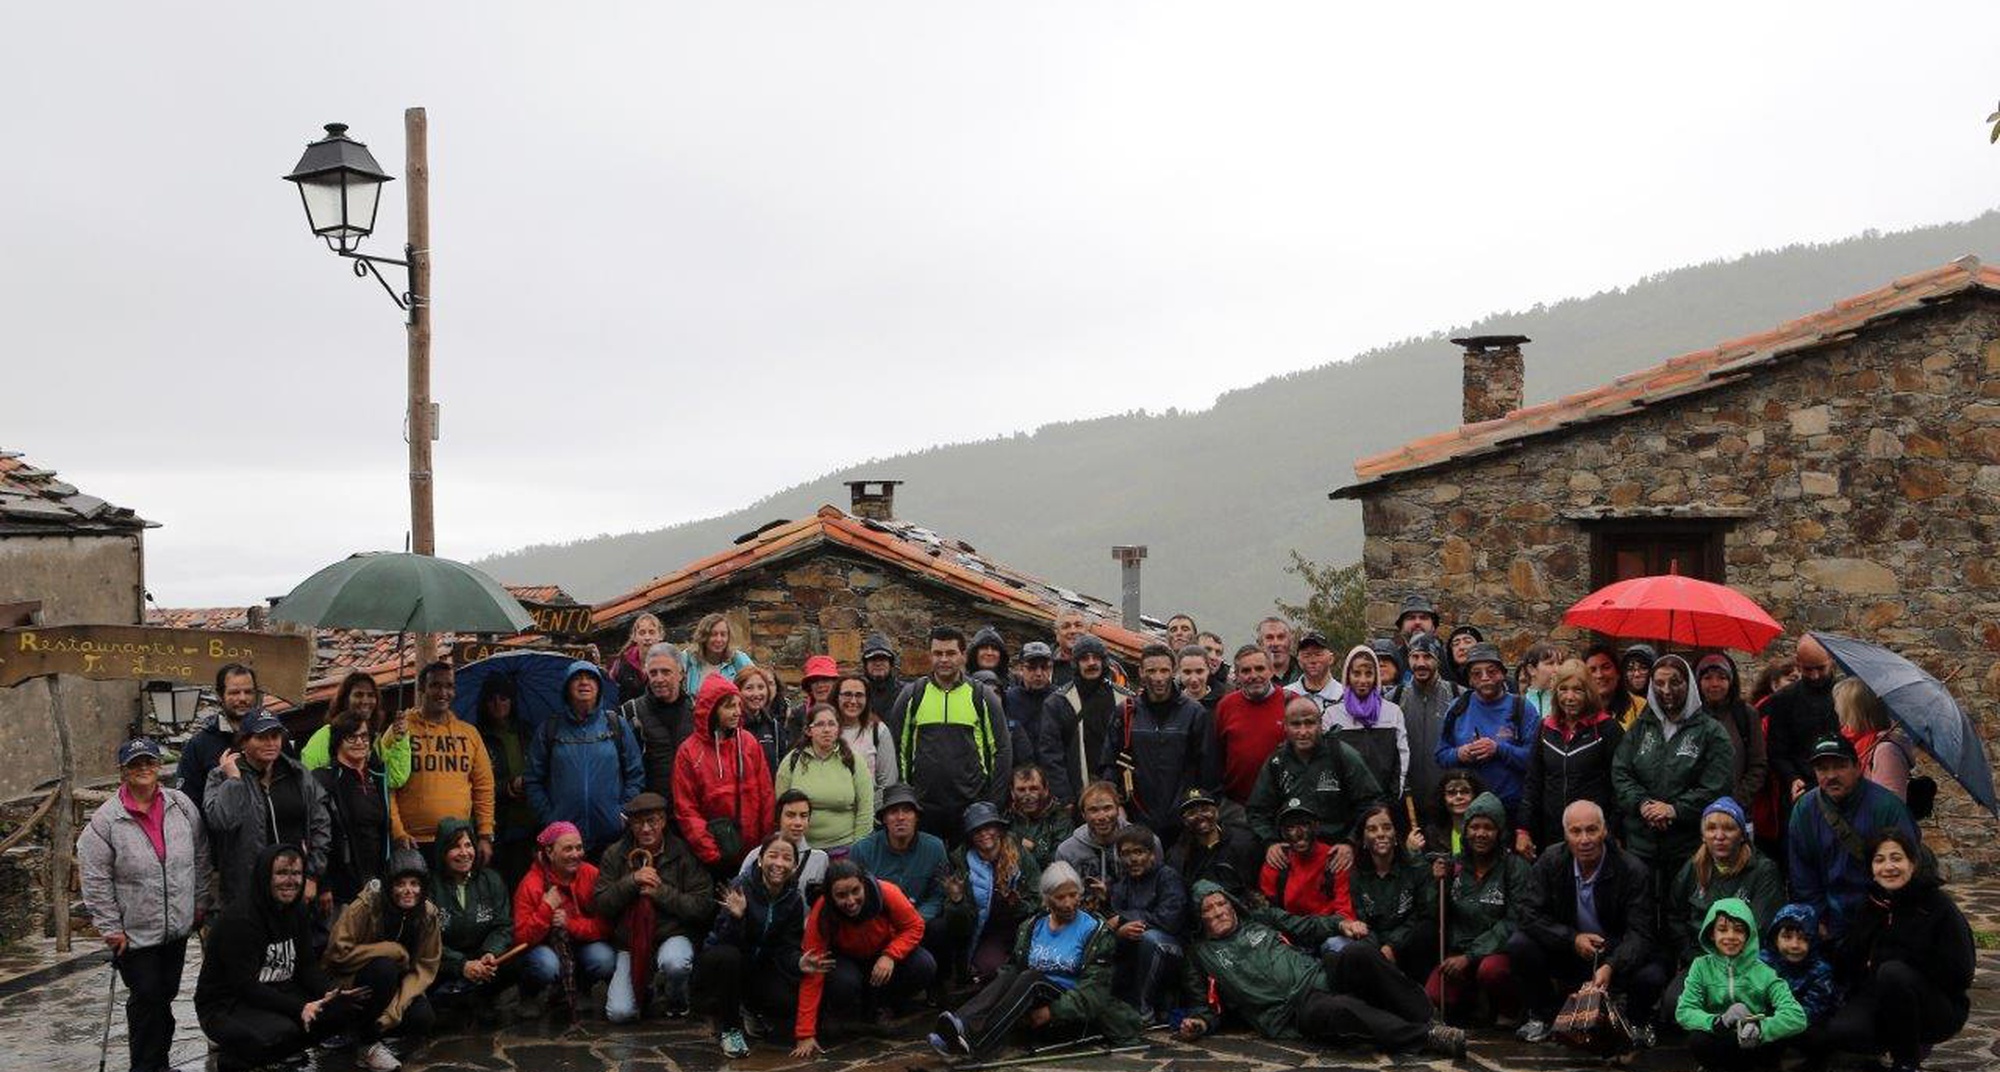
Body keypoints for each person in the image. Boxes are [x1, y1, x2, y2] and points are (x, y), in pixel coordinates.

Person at [1176, 880, 1465, 1058]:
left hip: (1317, 973)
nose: (1218, 912)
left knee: (1359, 952)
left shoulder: (1261, 919)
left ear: (1232, 904)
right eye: (1208, 909)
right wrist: (1199, 1024)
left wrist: (1342, 924)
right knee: (1341, 1008)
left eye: (1221, 903)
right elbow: (1204, 1005)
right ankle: (1425, 1037)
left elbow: (1307, 924)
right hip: (1293, 1009)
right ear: (1200, 919)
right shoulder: (1200, 954)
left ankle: (1427, 1016)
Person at [79, 737, 209, 1072]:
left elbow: (200, 854)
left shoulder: (180, 805)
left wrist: (198, 901)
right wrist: (109, 927)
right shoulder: (106, 822)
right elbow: (95, 879)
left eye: (149, 762)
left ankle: (159, 1062)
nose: (144, 769)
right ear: (123, 771)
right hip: (134, 931)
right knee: (147, 997)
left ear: (158, 766)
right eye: (135, 764)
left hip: (177, 925)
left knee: (164, 995)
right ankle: (146, 1066)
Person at [929, 861, 1142, 1058]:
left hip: (1070, 1011)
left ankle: (979, 1043)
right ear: (1047, 898)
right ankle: (958, 1027)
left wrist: (1053, 1011)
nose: (1068, 903)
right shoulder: (1032, 926)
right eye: (1060, 897)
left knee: (1032, 978)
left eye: (1073, 895)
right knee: (1012, 974)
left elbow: (1095, 992)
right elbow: (1013, 968)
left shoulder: (1095, 931)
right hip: (1030, 1000)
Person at [193, 846, 377, 1069]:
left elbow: (307, 967)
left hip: (279, 991)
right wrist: (299, 1007)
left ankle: (280, 1052)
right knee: (281, 1033)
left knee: (342, 1010)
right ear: (265, 876)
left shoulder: (296, 910)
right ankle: (235, 1059)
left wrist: (329, 992)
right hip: (228, 1004)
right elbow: (245, 986)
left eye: (296, 873)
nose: (290, 881)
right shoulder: (240, 920)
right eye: (281, 873)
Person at [1512, 800, 1667, 1043]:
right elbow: (1527, 912)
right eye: (1576, 831)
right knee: (1520, 944)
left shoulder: (1632, 870)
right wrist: (1571, 938)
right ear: (1566, 834)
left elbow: (1641, 933)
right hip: (1569, 948)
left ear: (1604, 831)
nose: (1585, 839)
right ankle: (1543, 1016)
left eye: (1592, 830)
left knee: (1653, 973)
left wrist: (1612, 964)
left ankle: (1637, 1021)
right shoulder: (1551, 860)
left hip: (1614, 950)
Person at [1823, 830, 1976, 1072]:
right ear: (1871, 869)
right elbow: (1850, 963)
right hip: (1878, 997)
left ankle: (1907, 1062)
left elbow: (1960, 973)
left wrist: (1897, 958)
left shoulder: (1938, 907)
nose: (1888, 867)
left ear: (1912, 863)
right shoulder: (1872, 905)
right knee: (1841, 1031)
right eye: (1879, 860)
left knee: (1893, 973)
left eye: (1897, 858)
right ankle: (1885, 1048)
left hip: (1934, 1002)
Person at [791, 860, 937, 1059]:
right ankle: (847, 1012)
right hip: (845, 962)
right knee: (844, 982)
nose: (850, 901)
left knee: (924, 964)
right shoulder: (822, 912)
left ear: (864, 884)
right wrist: (805, 1033)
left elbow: (915, 926)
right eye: (841, 895)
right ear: (830, 895)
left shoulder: (887, 892)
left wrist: (890, 955)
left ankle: (883, 1005)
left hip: (883, 954)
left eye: (855, 891)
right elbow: (813, 968)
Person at [1612, 654, 1736, 879]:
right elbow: (1621, 772)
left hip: (1687, 845)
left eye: (1675, 682)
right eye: (1659, 683)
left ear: (1689, 685)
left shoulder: (1711, 732)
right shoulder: (1641, 728)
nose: (1666, 690)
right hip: (1641, 843)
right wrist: (1643, 804)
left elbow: (1717, 785)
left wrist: (1675, 810)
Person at [594, 792, 713, 1023]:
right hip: (630, 941)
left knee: (675, 964)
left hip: (671, 934)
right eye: (638, 823)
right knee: (619, 1014)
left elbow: (703, 906)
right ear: (630, 825)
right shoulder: (615, 854)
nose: (646, 829)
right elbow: (601, 904)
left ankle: (677, 1000)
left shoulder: (683, 853)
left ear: (663, 821)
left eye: (652, 821)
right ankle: (644, 991)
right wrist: (631, 881)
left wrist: (662, 893)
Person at [1787, 734, 1917, 942]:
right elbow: (1802, 873)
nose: (1831, 775)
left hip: (1879, 918)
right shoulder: (1805, 810)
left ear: (1857, 767)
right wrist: (1817, 918)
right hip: (1829, 921)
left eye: (1839, 766)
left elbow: (1907, 866)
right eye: (1822, 769)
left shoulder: (1887, 808)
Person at [887, 626, 1013, 839]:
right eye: (938, 653)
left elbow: (1001, 750)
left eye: (951, 653)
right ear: (930, 656)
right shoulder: (912, 696)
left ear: (963, 655)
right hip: (924, 807)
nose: (944, 659)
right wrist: (907, 798)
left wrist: (992, 802)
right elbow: (898, 748)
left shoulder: (981, 696)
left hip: (971, 807)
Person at [322, 847, 442, 1068]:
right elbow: (336, 954)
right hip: (355, 983)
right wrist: (388, 949)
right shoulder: (366, 905)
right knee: (385, 968)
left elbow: (425, 967)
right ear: (389, 886)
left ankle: (374, 1027)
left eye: (414, 884)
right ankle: (366, 1044)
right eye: (400, 884)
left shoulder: (428, 914)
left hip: (395, 987)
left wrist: (395, 1009)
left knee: (423, 1018)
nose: (408, 890)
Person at [695, 833, 809, 1058]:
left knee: (784, 1001)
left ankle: (750, 1006)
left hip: (759, 965)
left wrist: (799, 961)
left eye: (787, 858)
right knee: (730, 957)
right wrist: (737, 917)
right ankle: (729, 1028)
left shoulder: (794, 899)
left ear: (795, 866)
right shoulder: (741, 886)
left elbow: (787, 946)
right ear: (760, 859)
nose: (779, 864)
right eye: (772, 856)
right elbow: (722, 939)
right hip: (723, 961)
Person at [204, 710, 331, 909]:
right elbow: (222, 822)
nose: (271, 743)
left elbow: (320, 824)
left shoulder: (297, 774)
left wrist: (313, 875)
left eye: (275, 736)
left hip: (294, 886)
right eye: (262, 737)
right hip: (248, 891)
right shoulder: (221, 776)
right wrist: (234, 781)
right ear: (244, 742)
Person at [1663, 798, 1784, 995]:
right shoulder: (1693, 867)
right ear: (1703, 836)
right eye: (1711, 829)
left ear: (1742, 835)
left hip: (1747, 965)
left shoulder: (1763, 871)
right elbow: (1675, 916)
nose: (1719, 836)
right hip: (1700, 961)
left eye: (1728, 829)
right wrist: (1691, 956)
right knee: (1672, 1002)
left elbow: (1762, 929)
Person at [1426, 791, 1528, 1024]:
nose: (1480, 834)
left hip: (1495, 954)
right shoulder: (1454, 866)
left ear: (1499, 832)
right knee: (1434, 995)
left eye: (1488, 828)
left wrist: (1471, 956)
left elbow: (1515, 920)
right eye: (1474, 827)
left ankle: (1511, 1010)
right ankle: (1473, 1003)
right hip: (1458, 952)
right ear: (1465, 831)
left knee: (1491, 972)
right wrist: (1435, 883)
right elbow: (1436, 915)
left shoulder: (1515, 868)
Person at [1100, 642, 1214, 847]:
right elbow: (1109, 764)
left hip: (1183, 818)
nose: (1159, 677)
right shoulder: (1125, 712)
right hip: (1136, 816)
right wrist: (1116, 806)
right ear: (1141, 672)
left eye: (1164, 670)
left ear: (1174, 671)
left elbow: (1206, 769)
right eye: (1152, 671)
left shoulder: (1195, 713)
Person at [1672, 898, 1806, 1069]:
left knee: (1780, 1039)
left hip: (1753, 1041)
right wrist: (1718, 1022)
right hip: (1721, 1037)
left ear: (1748, 935)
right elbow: (1684, 1011)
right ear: (1712, 934)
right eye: (1722, 929)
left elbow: (1797, 1016)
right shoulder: (1701, 966)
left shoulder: (1764, 972)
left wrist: (1761, 1028)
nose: (1730, 936)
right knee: (1697, 1039)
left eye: (1739, 930)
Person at [527, 661, 644, 856]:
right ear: (567, 687)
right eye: (577, 678)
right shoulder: (550, 728)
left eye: (590, 678)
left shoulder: (616, 724)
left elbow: (635, 773)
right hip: (564, 840)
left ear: (599, 687)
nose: (584, 682)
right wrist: (550, 817)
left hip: (612, 835)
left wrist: (622, 813)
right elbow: (533, 779)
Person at [1246, 695, 1382, 858]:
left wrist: (1350, 842)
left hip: (1336, 851)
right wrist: (1270, 842)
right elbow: (1257, 811)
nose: (1303, 731)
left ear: (1320, 724)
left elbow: (1371, 803)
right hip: (1292, 853)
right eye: (1296, 724)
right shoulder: (1276, 762)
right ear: (1285, 726)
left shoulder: (1342, 755)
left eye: (1309, 723)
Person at [672, 675, 776, 878]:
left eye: (739, 705)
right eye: (729, 706)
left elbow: (766, 794)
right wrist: (711, 853)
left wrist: (765, 844)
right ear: (711, 710)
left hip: (753, 853)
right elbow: (687, 809)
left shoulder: (748, 742)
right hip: (712, 857)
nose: (738, 711)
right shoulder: (689, 751)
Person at [390, 662, 496, 861]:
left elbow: (484, 787)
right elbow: (388, 785)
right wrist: (397, 832)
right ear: (422, 688)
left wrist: (484, 834)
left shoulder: (469, 734)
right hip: (412, 842)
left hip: (459, 842)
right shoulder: (401, 730)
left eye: (449, 686)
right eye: (435, 685)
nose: (443, 692)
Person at [1520, 658, 1623, 855]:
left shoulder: (1607, 729)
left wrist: (1614, 831)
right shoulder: (1545, 728)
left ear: (1589, 692)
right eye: (1563, 689)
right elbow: (1533, 781)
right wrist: (1523, 829)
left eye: (1578, 690)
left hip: (1593, 835)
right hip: (1551, 833)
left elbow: (1618, 786)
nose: (1569, 697)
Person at [512, 821, 616, 1015]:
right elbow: (521, 937)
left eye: (579, 848)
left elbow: (606, 925)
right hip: (544, 948)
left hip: (581, 943)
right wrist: (546, 908)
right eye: (568, 849)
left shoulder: (591, 874)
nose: (576, 854)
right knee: (545, 965)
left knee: (605, 959)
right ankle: (529, 994)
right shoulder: (531, 883)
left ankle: (581, 988)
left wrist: (571, 924)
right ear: (550, 852)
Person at [423, 817, 515, 1024]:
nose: (464, 853)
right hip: (445, 962)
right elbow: (426, 939)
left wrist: (490, 953)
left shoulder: (491, 880)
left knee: (517, 961)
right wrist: (462, 965)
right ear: (442, 851)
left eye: (468, 845)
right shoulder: (429, 886)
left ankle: (483, 998)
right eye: (455, 847)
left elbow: (503, 925)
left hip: (483, 958)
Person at [1434, 643, 1534, 828]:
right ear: (1470, 680)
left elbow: (1534, 759)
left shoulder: (1521, 708)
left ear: (1503, 674)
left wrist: (1498, 749)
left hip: (1511, 811)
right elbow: (1440, 755)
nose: (1485, 678)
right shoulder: (1458, 707)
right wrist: (1459, 753)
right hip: (1467, 811)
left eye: (1491, 671)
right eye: (1477, 673)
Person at [851, 784, 951, 967]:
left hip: (918, 921)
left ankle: (937, 987)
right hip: (876, 925)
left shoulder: (935, 848)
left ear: (917, 817)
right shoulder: (862, 850)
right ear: (884, 819)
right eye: (893, 812)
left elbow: (938, 895)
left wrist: (915, 920)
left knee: (941, 928)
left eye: (907, 811)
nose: (900, 817)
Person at [944, 803, 1043, 982]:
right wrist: (957, 901)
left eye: (988, 827)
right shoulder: (962, 865)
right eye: (977, 830)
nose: (984, 834)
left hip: (1023, 930)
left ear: (998, 829)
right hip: (987, 935)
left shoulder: (1020, 855)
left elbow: (1039, 899)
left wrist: (1018, 905)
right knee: (993, 971)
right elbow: (959, 927)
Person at [1103, 825, 1185, 1022]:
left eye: (1138, 852)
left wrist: (1126, 919)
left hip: (1172, 949)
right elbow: (1113, 922)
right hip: (1134, 953)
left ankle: (1143, 1011)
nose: (1132, 859)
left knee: (1151, 939)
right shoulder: (1122, 885)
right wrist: (1121, 930)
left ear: (1151, 854)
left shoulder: (1167, 876)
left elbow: (1169, 920)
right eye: (1126, 854)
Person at [314, 710, 394, 910]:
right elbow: (316, 835)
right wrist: (323, 884)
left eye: (364, 736)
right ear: (338, 741)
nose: (360, 742)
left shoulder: (377, 777)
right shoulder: (324, 780)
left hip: (377, 879)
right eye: (352, 736)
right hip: (340, 885)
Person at [1348, 802, 1435, 979]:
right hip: (1374, 948)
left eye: (1387, 827)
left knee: (1426, 931)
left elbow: (1421, 913)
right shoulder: (1356, 875)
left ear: (1396, 835)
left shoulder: (1415, 867)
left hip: (1409, 945)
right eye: (1372, 829)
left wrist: (1392, 946)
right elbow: (1361, 920)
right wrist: (1380, 951)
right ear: (1363, 839)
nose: (1380, 833)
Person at [1038, 633, 1126, 806]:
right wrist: (1066, 798)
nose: (1091, 663)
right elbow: (1051, 755)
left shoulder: (1124, 700)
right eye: (1085, 658)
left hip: (1121, 796)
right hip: (1077, 798)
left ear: (1104, 661)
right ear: (1075, 663)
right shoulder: (1058, 702)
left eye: (1096, 657)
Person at [776, 704, 874, 851]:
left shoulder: (854, 761)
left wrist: (857, 848)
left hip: (844, 848)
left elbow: (865, 809)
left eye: (832, 724)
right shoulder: (792, 761)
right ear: (809, 731)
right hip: (801, 848)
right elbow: (781, 809)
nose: (827, 730)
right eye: (820, 724)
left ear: (839, 729)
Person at [1386, 632, 1460, 824]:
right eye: (1415, 656)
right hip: (1406, 804)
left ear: (1438, 659)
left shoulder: (1458, 696)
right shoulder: (1394, 698)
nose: (1420, 663)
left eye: (1427, 657)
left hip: (1449, 804)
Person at [1321, 645, 1409, 805]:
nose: (1362, 680)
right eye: (1356, 673)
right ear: (1347, 675)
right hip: (1346, 804)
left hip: (1384, 804)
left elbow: (1401, 757)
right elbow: (1326, 762)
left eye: (1369, 674)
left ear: (1376, 677)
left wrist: (1393, 796)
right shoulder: (1332, 715)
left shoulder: (1393, 712)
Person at [1055, 780, 1162, 909]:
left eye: (1107, 808)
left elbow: (1159, 889)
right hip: (1088, 918)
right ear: (1083, 814)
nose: (1101, 816)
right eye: (1093, 810)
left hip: (1138, 915)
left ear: (1118, 809)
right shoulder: (1067, 851)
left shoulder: (1147, 842)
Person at [473, 674, 537, 886]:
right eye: (492, 699)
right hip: (498, 824)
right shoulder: (478, 736)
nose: (498, 704)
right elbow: (476, 783)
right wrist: (507, 787)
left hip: (530, 822)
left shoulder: (527, 732)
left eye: (504, 698)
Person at [1763, 635, 1837, 809]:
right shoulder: (1783, 699)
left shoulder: (1845, 695)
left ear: (1831, 660)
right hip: (1802, 789)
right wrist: (1792, 778)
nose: (1815, 676)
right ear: (1798, 663)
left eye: (1821, 668)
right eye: (1808, 669)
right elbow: (1776, 751)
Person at [176, 662, 261, 812]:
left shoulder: (272, 739)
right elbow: (188, 804)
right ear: (219, 695)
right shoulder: (199, 746)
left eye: (248, 692)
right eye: (234, 692)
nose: (242, 698)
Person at [300, 671, 409, 783]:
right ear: (345, 699)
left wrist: (400, 740)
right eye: (358, 695)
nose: (365, 701)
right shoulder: (326, 735)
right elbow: (310, 784)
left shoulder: (373, 740)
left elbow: (395, 778)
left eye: (371, 695)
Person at [618, 643, 696, 799]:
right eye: (653, 673)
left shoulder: (697, 710)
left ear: (681, 674)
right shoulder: (630, 712)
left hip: (690, 805)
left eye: (666, 672)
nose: (659, 679)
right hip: (648, 809)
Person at [1212, 645, 1288, 805]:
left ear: (1271, 670)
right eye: (1246, 671)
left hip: (1282, 805)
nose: (1254, 675)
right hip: (1236, 806)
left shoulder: (1292, 703)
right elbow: (1216, 756)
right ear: (1237, 676)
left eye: (1260, 668)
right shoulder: (1225, 706)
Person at [1696, 655, 1770, 817]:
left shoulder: (1745, 714)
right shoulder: (1690, 716)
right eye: (1707, 678)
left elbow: (1758, 764)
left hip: (1737, 810)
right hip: (1696, 810)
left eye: (1722, 678)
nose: (1714, 684)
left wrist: (1736, 800)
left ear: (1731, 681)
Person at [1258, 799, 1356, 921]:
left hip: (1329, 927)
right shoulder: (1276, 861)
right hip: (1290, 927)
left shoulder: (1334, 859)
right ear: (1282, 833)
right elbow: (1269, 911)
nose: (1299, 833)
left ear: (1316, 826)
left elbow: (1345, 911)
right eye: (1291, 827)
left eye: (1304, 825)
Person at [1167, 786, 1261, 902]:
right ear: (1184, 821)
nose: (1200, 816)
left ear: (1216, 812)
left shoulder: (1244, 842)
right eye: (1192, 813)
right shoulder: (1178, 857)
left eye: (1205, 810)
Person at [738, 789, 832, 903]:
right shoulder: (756, 855)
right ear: (778, 818)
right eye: (790, 815)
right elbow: (739, 894)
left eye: (803, 816)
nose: (798, 822)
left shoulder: (820, 859)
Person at [1759, 903, 1838, 1029]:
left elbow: (1811, 1011)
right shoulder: (1762, 962)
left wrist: (1770, 1026)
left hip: (1802, 1025)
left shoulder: (1821, 971)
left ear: (1813, 942)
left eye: (1803, 938)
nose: (1794, 945)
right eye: (1787, 937)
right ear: (1775, 939)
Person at [1836, 677, 1914, 800]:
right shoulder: (1852, 744)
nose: (1841, 717)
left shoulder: (1886, 752)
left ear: (1857, 713)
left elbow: (1890, 806)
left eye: (1844, 711)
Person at [832, 672, 896, 793]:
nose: (853, 701)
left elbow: (887, 782)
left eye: (859, 695)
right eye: (847, 694)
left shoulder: (878, 731)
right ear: (836, 697)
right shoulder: (825, 729)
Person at [1001, 644, 1057, 775]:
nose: (1038, 673)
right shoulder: (1008, 699)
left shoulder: (1060, 699)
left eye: (1044, 667)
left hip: (1052, 774)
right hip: (1017, 776)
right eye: (1032, 667)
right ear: (1021, 668)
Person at [1407, 769, 1485, 857]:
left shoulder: (1485, 831)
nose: (1459, 797)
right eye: (1451, 793)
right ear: (1442, 798)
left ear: (1475, 795)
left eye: (1465, 792)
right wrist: (1413, 852)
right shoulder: (1433, 834)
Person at [1003, 764, 1066, 871]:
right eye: (1021, 790)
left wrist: (1032, 848)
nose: (1027, 796)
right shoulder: (1005, 820)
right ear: (1012, 792)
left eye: (1034, 789)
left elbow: (1062, 861)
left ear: (1045, 790)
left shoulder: (1060, 819)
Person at [735, 663, 789, 780]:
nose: (756, 694)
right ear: (738, 691)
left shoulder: (773, 726)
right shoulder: (731, 727)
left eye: (761, 687)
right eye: (749, 688)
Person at [681, 612, 755, 695]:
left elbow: (755, 682)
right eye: (713, 634)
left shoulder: (738, 659)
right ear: (704, 637)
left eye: (723, 635)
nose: (719, 639)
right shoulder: (688, 658)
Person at [1584, 643, 1647, 728]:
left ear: (1618, 673)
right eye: (1592, 670)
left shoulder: (1641, 707)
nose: (1599, 675)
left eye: (1606, 667)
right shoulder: (1579, 709)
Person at [608, 613, 665, 705]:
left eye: (652, 632)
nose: (647, 637)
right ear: (634, 637)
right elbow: (610, 693)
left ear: (660, 636)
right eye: (642, 633)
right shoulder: (621, 663)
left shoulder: (668, 662)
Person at [1284, 629, 1344, 715]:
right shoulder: (1286, 695)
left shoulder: (1344, 697)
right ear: (1298, 661)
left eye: (1318, 654)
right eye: (1306, 655)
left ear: (1331, 659)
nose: (1312, 660)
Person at [860, 632, 906, 722]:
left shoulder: (905, 693)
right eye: (873, 659)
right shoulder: (858, 694)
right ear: (865, 665)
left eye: (883, 659)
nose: (878, 663)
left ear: (891, 664)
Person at [793, 654, 841, 730]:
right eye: (814, 681)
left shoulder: (846, 710)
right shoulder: (799, 715)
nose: (820, 685)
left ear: (835, 684)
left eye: (825, 680)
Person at [1516, 643, 1563, 720]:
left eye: (1560, 663)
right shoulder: (1518, 704)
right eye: (1550, 663)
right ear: (1531, 669)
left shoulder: (1564, 701)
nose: (1557, 669)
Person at [1256, 616, 1299, 686]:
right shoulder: (1250, 676)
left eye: (1281, 637)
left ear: (1290, 642)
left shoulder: (1305, 672)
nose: (1275, 643)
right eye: (1269, 638)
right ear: (1260, 644)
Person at [1176, 643, 1219, 712]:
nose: (1194, 679)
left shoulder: (1222, 703)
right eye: (1187, 672)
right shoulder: (1171, 704)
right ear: (1179, 672)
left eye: (1199, 671)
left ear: (1208, 670)